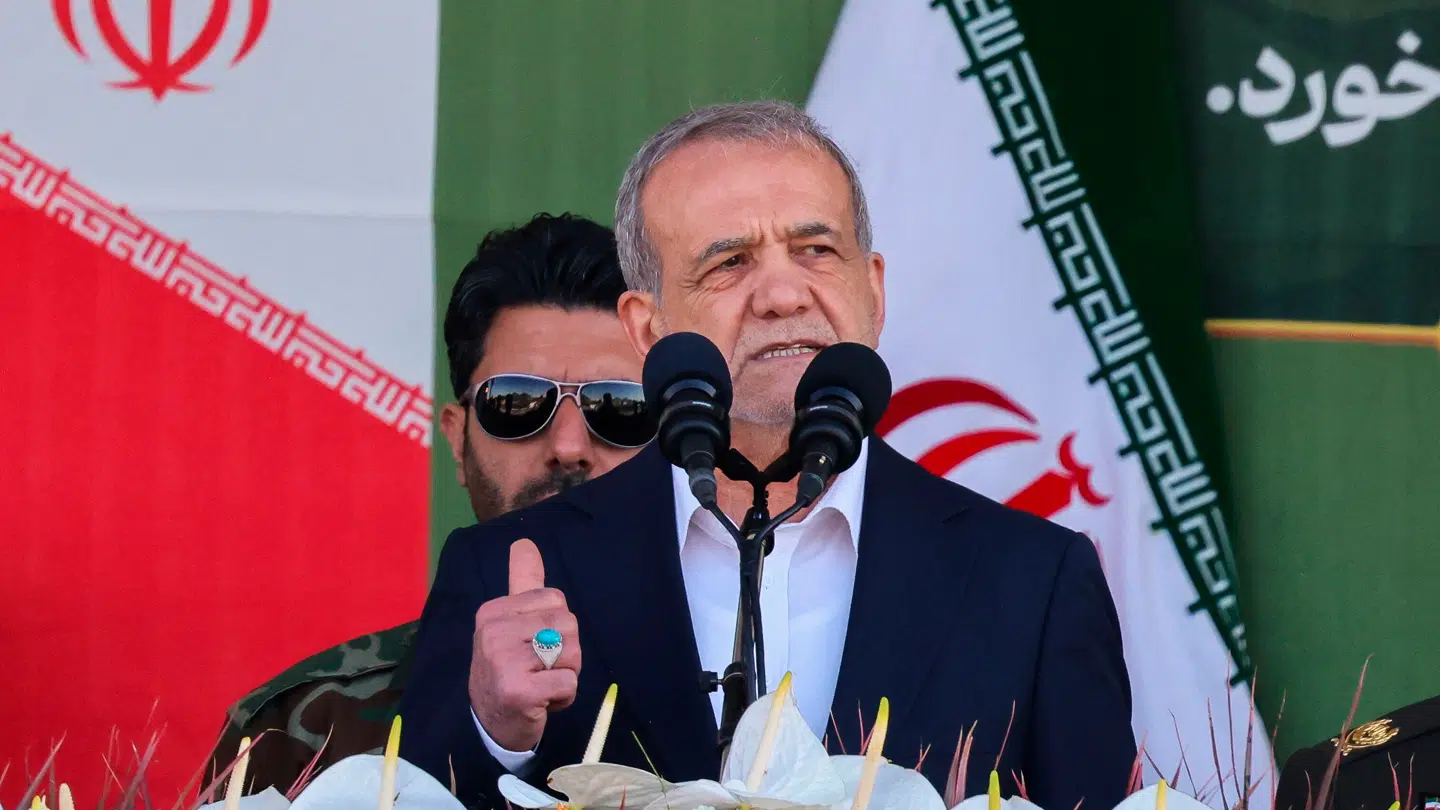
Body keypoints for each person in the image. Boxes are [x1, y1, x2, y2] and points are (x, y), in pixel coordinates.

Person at [399, 101, 1137, 809]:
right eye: (730, 262)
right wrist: (494, 731)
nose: (783, 293)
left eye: (816, 250)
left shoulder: (1033, 582)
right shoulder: (507, 570)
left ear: (872, 292)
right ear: (648, 326)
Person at [205, 213, 652, 792]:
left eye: (620, 407)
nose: (569, 447)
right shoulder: (304, 728)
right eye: (517, 402)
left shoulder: (751, 700)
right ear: (456, 441)